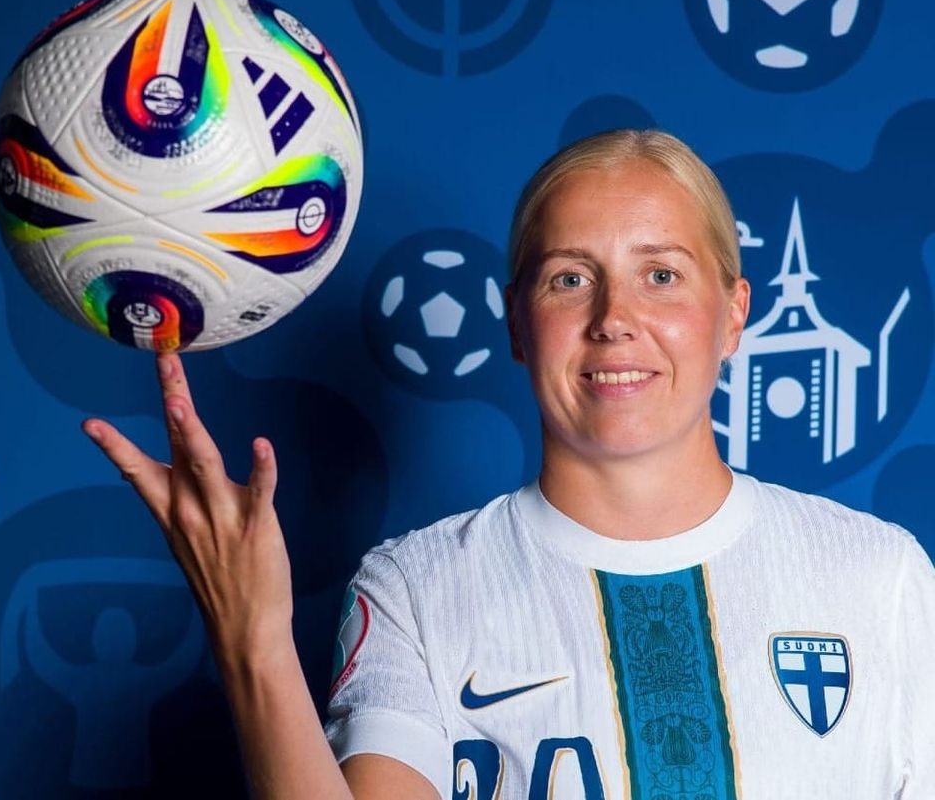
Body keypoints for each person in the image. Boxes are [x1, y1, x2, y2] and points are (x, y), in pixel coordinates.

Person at [83, 130, 935, 799]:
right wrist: (254, 639)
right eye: (571, 279)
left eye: (662, 275)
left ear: (734, 312)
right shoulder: (415, 587)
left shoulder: (878, 577)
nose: (615, 319)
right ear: (517, 323)